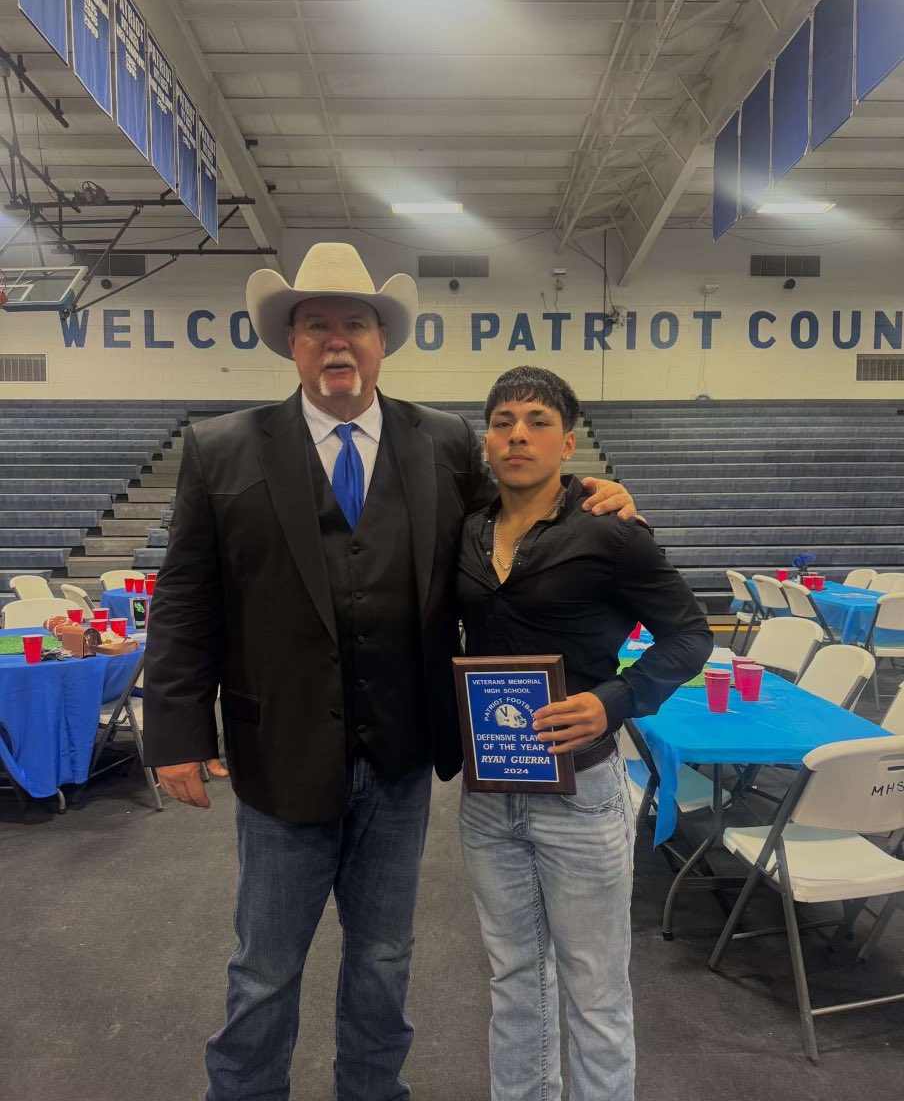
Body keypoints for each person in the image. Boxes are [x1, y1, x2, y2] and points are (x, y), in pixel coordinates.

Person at [141, 243, 638, 1101]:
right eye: (317, 326)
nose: (338, 342)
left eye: (356, 325)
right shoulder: (220, 449)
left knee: (384, 956)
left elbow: (520, 511)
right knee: (264, 966)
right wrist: (175, 732)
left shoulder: (443, 442)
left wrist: (599, 496)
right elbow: (185, 600)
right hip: (280, 755)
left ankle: (373, 1092)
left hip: (402, 755)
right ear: (290, 344)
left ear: (382, 341)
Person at [457, 366, 712, 1101]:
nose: (518, 434)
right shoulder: (467, 532)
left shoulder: (611, 532)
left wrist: (617, 700)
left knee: (594, 988)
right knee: (511, 979)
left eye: (537, 421)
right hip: (489, 792)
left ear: (568, 442)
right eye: (503, 420)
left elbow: (689, 636)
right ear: (485, 442)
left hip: (584, 792)